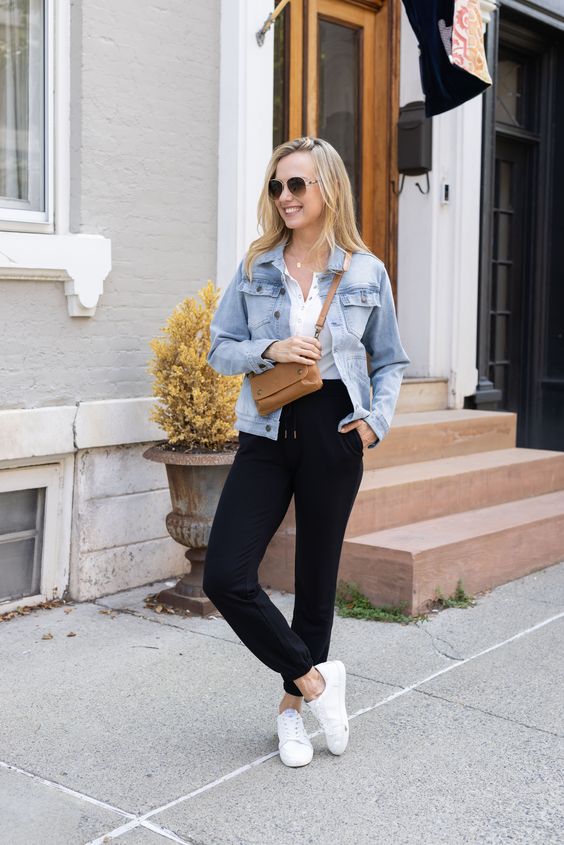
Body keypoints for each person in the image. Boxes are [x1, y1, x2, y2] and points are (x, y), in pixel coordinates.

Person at [204, 136, 410, 768]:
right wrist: (270, 350)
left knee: (315, 586)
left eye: (296, 185)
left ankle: (291, 715)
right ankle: (318, 684)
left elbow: (392, 360)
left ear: (327, 190)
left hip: (334, 433)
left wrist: (374, 423)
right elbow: (218, 349)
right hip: (266, 433)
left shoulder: (365, 270)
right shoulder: (256, 265)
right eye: (276, 186)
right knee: (226, 576)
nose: (284, 197)